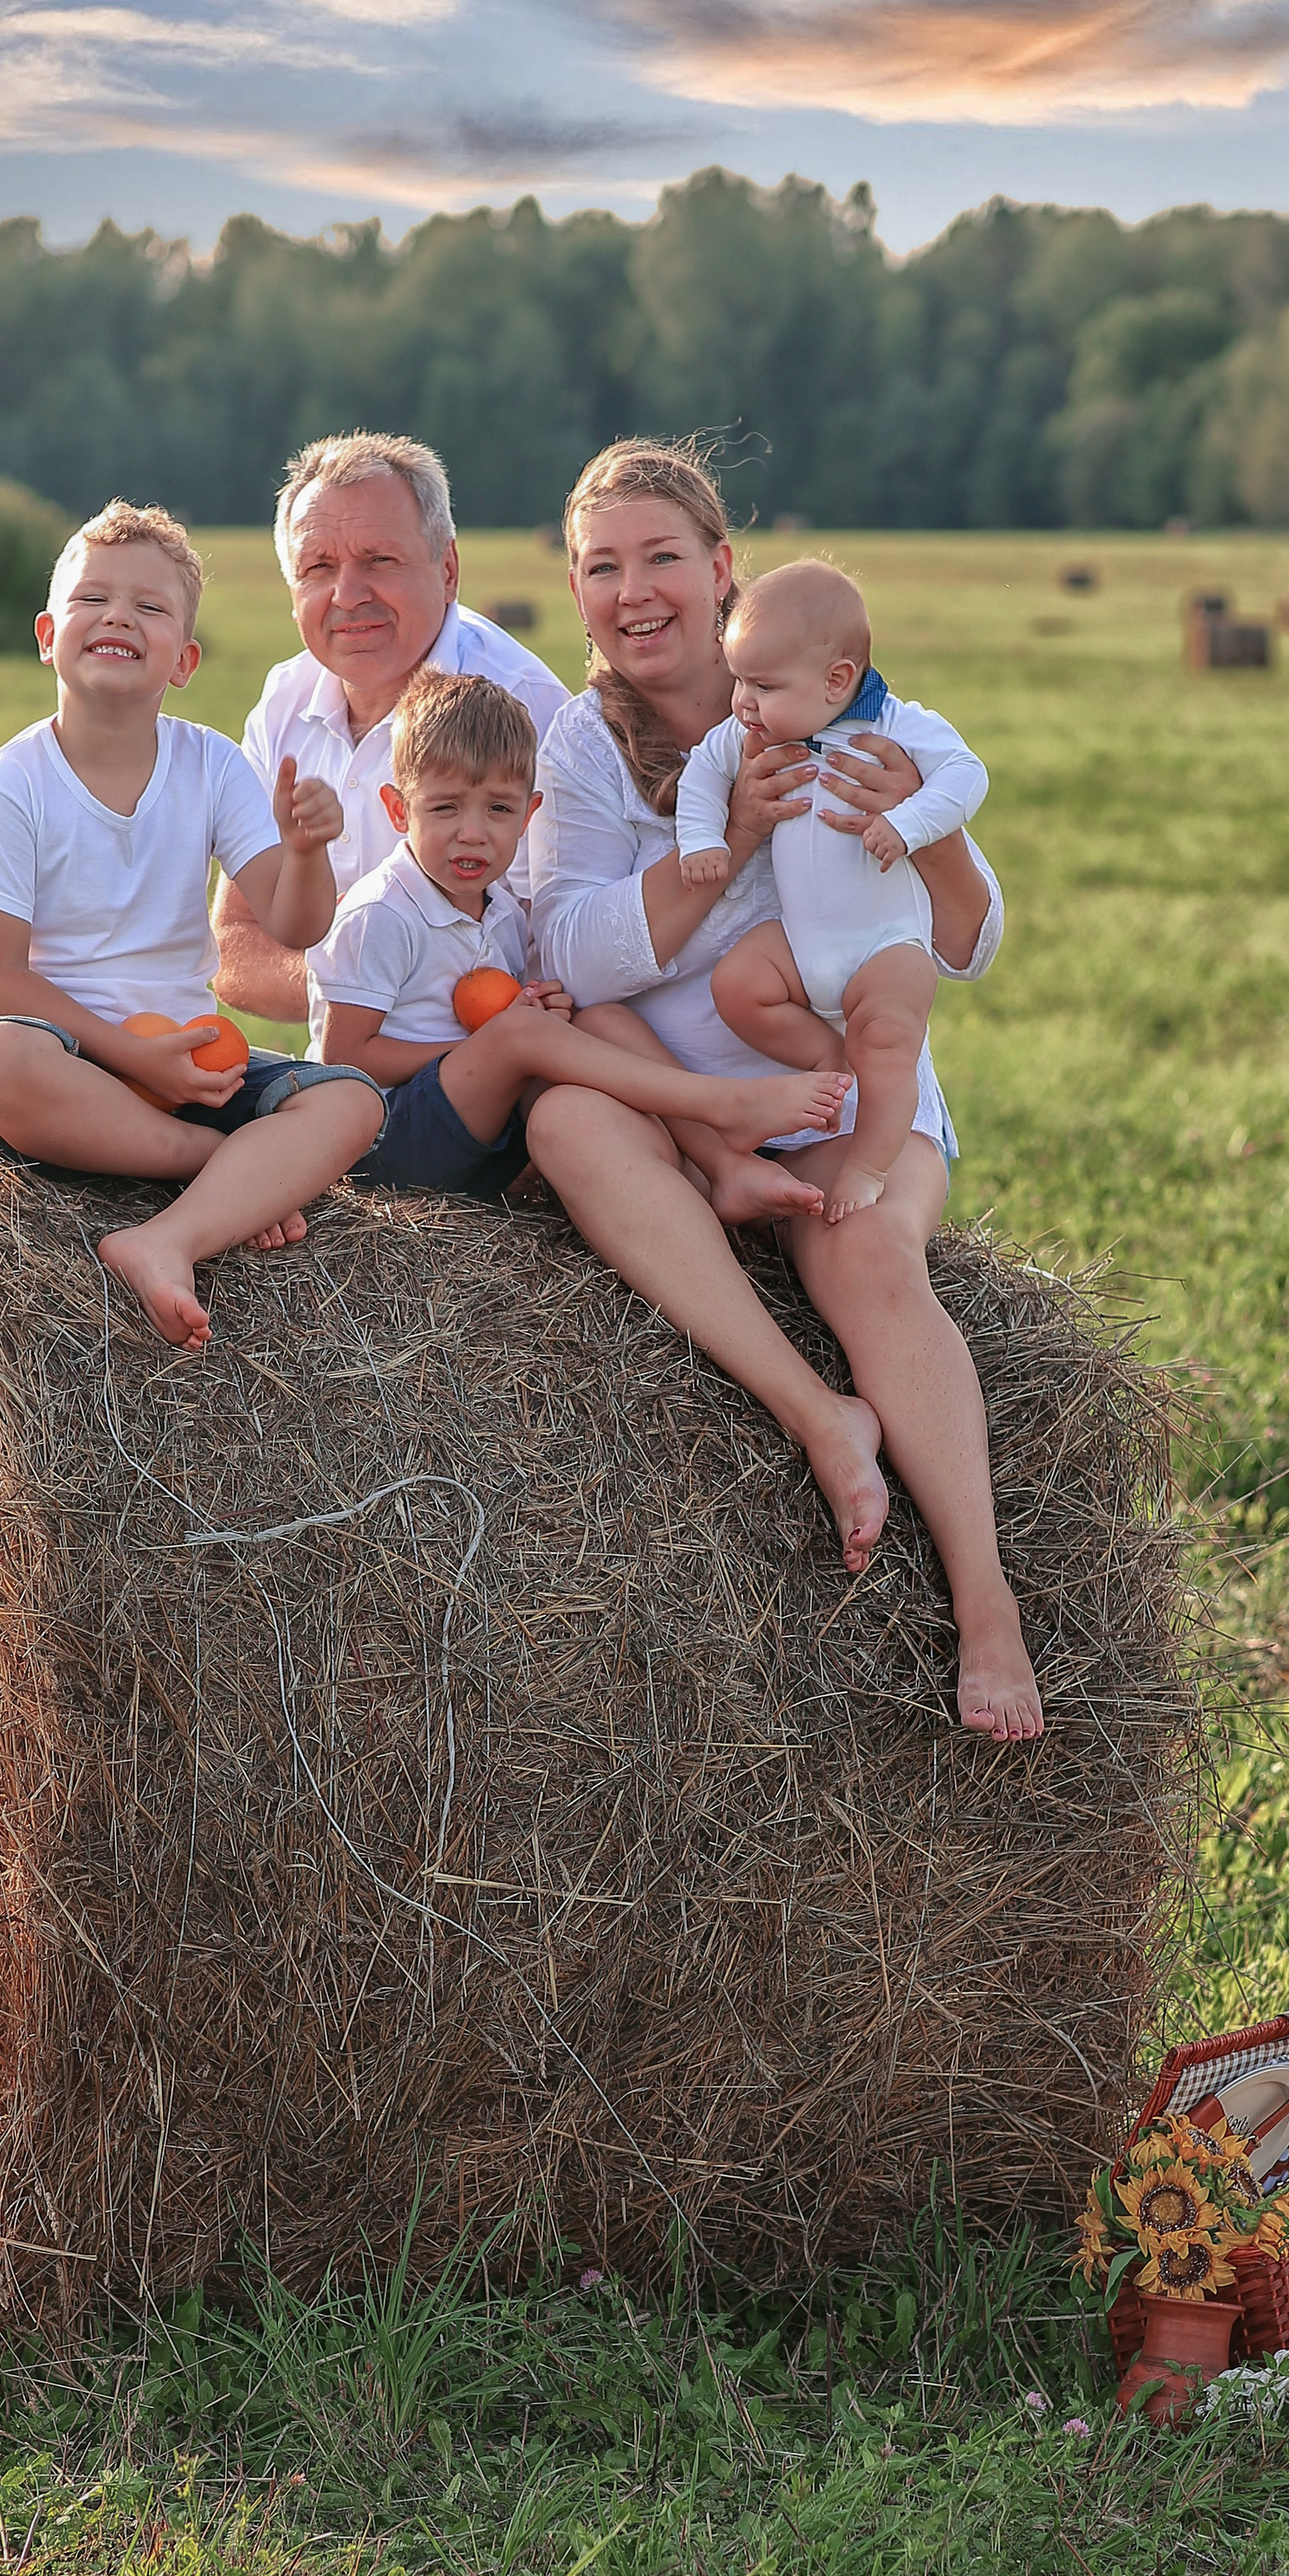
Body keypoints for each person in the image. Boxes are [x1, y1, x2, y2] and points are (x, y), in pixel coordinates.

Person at [525, 439, 1043, 1742]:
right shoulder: (584, 744)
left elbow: (971, 944)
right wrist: (732, 845)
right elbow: (569, 949)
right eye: (601, 567)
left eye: (660, 560)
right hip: (688, 1107)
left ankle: (990, 1612)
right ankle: (819, 1416)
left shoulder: (849, 703)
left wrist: (925, 823)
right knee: (567, 1115)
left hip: (846, 1101)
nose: (633, 592)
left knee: (864, 1250)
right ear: (576, 590)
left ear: (720, 570)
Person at [0, 499, 385, 1349]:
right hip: (59, 1067)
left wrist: (304, 851)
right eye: (91, 600)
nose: (117, 617)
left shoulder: (213, 764)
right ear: (47, 634)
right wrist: (132, 1057)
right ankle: (217, 1168)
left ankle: (164, 1238)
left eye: (148, 606)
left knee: (352, 1104)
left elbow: (297, 925)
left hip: (186, 1057)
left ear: (182, 660)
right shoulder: (8, 786)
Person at [309, 669, 850, 1198]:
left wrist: (535, 1010)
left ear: (529, 817)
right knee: (528, 1039)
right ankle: (724, 1103)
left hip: (476, 1134)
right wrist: (495, 1046)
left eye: (498, 809)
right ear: (399, 810)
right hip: (378, 1143)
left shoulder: (502, 910)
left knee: (601, 1020)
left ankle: (721, 1165)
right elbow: (346, 1058)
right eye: (445, 807)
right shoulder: (379, 913)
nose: (471, 834)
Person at [211, 430, 569, 1024]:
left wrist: (358, 974)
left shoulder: (528, 712)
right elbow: (234, 948)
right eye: (318, 568)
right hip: (349, 1074)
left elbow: (552, 964)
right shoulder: (284, 700)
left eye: (380, 561)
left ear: (448, 568)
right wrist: (356, 979)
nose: (348, 596)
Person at [677, 559, 989, 1224]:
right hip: (802, 941)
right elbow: (703, 771)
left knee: (887, 1046)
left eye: (762, 685)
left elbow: (967, 776)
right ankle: (823, 1054)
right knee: (738, 985)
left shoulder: (896, 727)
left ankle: (873, 1166)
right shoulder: (754, 734)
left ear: (836, 681)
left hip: (885, 947)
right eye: (738, 682)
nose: (741, 704)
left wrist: (907, 824)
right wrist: (704, 839)